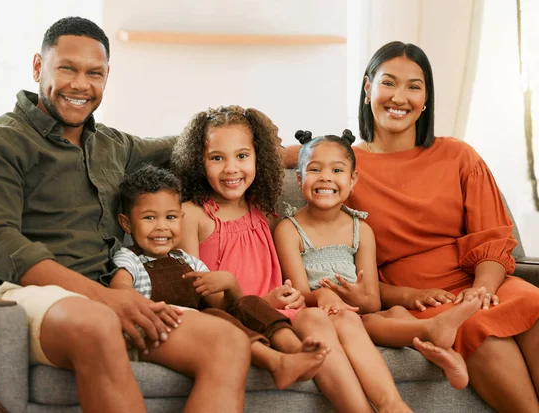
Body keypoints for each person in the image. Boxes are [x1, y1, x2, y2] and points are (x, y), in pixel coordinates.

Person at [0, 16, 253, 413]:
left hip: (106, 295)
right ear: (39, 67)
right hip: (19, 294)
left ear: (107, 77)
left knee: (227, 342)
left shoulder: (112, 145)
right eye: (67, 68)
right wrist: (107, 299)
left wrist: (287, 153)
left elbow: (185, 146)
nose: (81, 84)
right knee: (98, 323)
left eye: (94, 73)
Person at [173, 105, 413, 413]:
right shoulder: (192, 215)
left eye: (243, 156)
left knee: (317, 317)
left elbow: (306, 248)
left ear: (259, 158)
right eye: (217, 158)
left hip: (286, 315)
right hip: (240, 318)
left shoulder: (264, 213)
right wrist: (266, 302)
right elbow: (196, 297)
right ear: (198, 161)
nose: (231, 168)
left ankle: (375, 407)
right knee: (311, 317)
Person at [346, 40, 539, 412]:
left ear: (426, 98)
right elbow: (290, 157)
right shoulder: (344, 167)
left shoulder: (458, 155)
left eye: (414, 86)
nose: (399, 97)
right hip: (418, 298)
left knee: (533, 303)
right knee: (477, 328)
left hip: (479, 284)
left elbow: (494, 240)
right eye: (389, 83)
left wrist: (480, 291)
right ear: (369, 87)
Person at [274, 129, 488, 390]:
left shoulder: (361, 230)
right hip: (320, 318)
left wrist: (354, 298)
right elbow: (298, 295)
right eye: (315, 170)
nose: (326, 178)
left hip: (356, 310)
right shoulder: (288, 230)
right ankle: (431, 329)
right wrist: (324, 297)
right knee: (372, 322)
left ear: (353, 180)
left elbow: (372, 301)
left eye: (337, 171)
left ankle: (447, 354)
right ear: (299, 178)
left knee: (396, 312)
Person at [111, 164, 329, 389]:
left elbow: (226, 306)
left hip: (199, 323)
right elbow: (120, 292)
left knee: (247, 303)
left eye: (170, 217)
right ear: (126, 223)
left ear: (181, 217)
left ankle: (296, 350)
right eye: (149, 218)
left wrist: (231, 285)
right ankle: (276, 362)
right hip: (161, 327)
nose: (162, 227)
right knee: (217, 317)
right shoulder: (130, 259)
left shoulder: (187, 260)